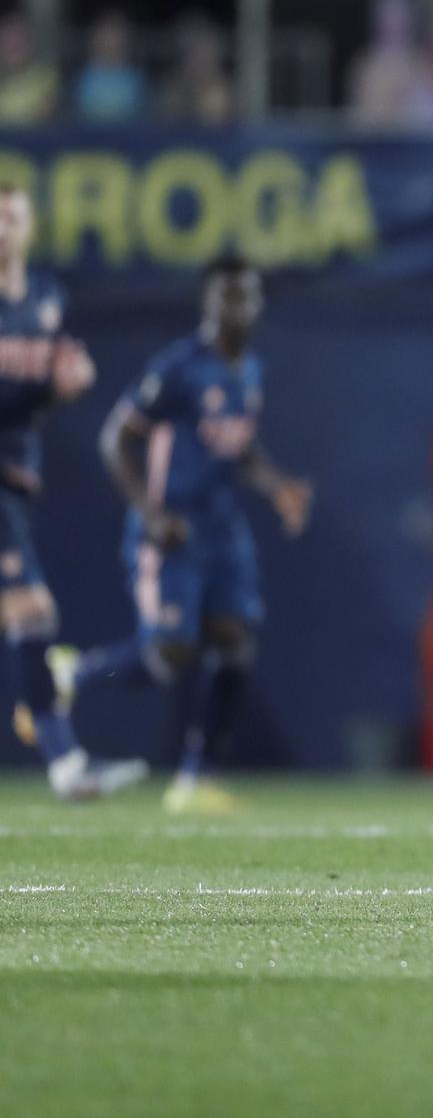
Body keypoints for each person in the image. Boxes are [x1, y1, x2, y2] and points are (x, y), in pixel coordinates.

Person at [60, 256, 313, 813]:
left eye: (245, 296)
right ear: (208, 302)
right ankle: (72, 672)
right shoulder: (179, 367)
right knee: (171, 652)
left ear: (258, 303)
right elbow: (113, 440)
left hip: (223, 529)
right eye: (227, 296)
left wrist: (278, 487)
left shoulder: (250, 369)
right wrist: (148, 513)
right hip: (171, 527)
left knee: (236, 642)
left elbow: (239, 448)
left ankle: (195, 779)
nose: (237, 307)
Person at [0, 184, 147, 800]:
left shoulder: (46, 299)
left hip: (14, 479)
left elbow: (43, 385)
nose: (2, 229)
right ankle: (65, 767)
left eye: (11, 217)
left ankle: (66, 766)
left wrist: (69, 384)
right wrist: (46, 390)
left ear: (31, 226)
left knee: (29, 618)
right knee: (33, 614)